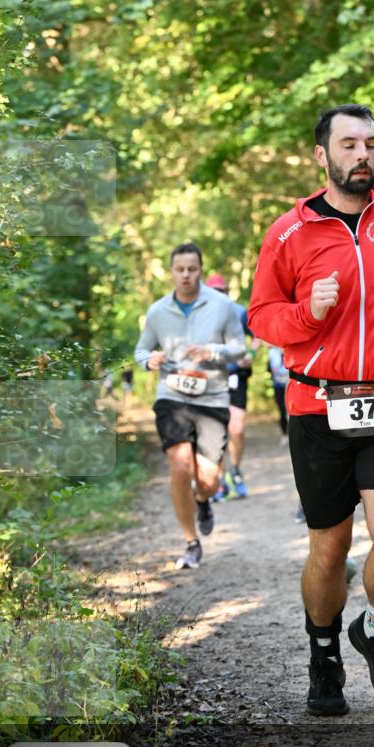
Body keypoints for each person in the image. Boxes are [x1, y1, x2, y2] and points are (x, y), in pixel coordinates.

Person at [248, 103, 374, 716]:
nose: (363, 154)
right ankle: (325, 653)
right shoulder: (289, 232)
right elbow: (260, 316)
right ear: (322, 156)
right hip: (317, 406)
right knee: (329, 549)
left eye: (371, 144)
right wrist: (307, 313)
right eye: (349, 144)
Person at [134, 242, 245, 569]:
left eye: (192, 269)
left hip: (212, 396)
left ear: (200, 269)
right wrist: (149, 360)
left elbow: (239, 348)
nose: (186, 275)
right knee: (180, 466)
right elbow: (140, 351)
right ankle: (190, 542)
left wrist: (214, 351)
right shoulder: (157, 312)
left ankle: (203, 500)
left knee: (209, 480)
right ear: (171, 272)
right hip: (172, 396)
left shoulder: (222, 305)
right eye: (180, 270)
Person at [205, 273, 260, 499]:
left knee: (236, 429)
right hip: (211, 379)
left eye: (223, 291)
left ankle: (235, 471)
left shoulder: (239, 311)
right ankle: (219, 480)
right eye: (215, 292)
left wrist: (251, 354)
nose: (219, 296)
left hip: (237, 376)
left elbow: (258, 335)